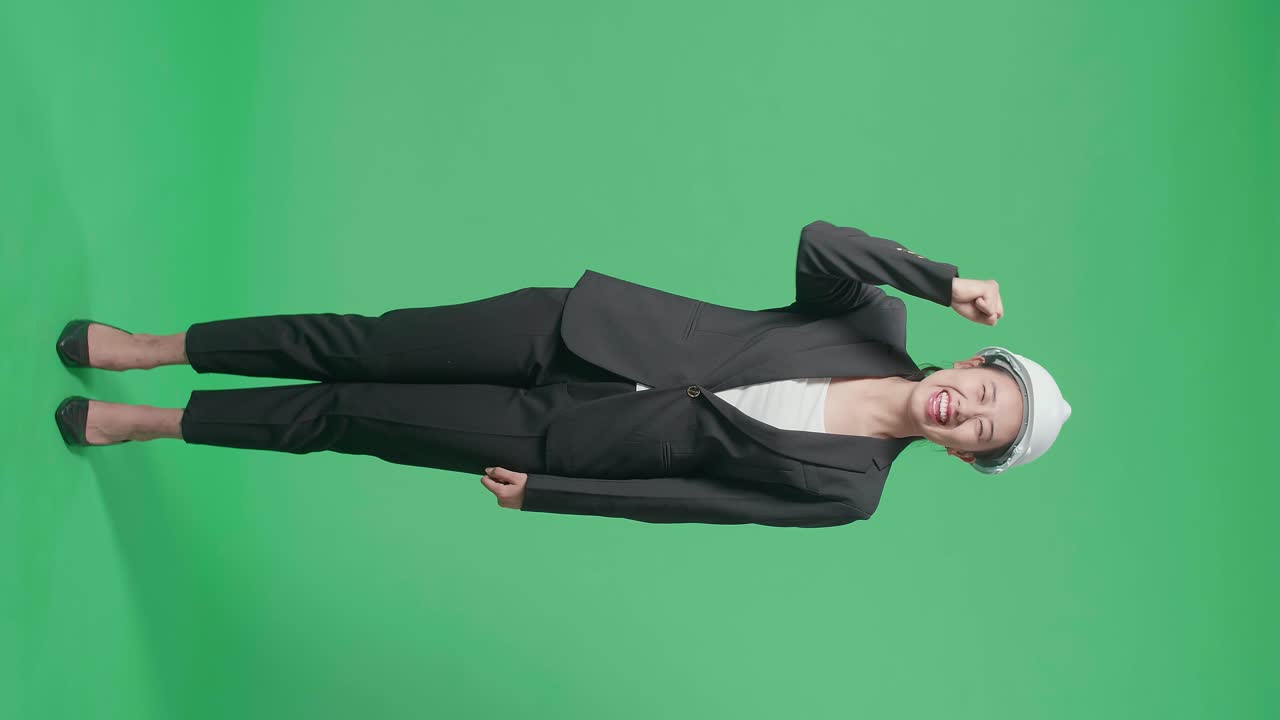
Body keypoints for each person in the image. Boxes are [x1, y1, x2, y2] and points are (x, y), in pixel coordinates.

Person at [53, 220, 1072, 528]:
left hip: (568, 443)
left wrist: (553, 494)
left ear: (960, 455)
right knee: (360, 346)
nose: (969, 411)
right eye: (985, 392)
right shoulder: (871, 316)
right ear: (969, 363)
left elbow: (694, 501)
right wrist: (941, 278)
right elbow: (818, 243)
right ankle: (153, 348)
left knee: (349, 416)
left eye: (982, 430)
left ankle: (153, 422)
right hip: (578, 330)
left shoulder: (849, 493)